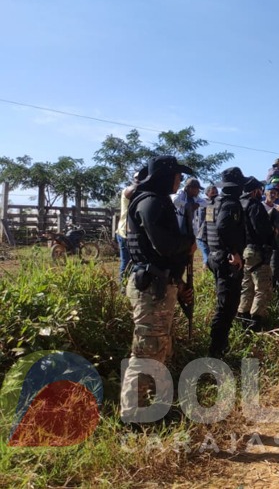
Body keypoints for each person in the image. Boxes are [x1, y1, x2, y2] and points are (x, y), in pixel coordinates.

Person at [120, 155, 195, 423]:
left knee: (159, 348)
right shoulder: (151, 202)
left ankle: (151, 410)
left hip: (160, 285)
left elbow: (162, 254)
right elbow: (164, 245)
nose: (180, 180)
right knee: (146, 350)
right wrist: (188, 243)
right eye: (177, 175)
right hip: (150, 287)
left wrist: (180, 281)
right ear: (165, 176)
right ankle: (133, 415)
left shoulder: (158, 201)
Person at [207, 167, 247, 358]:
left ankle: (219, 346)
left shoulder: (212, 203)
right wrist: (233, 251)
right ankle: (217, 350)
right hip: (227, 259)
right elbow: (223, 226)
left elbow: (206, 229)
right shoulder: (231, 204)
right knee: (227, 306)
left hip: (214, 256)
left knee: (224, 304)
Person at [237, 177, 275, 330]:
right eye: (260, 190)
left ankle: (242, 319)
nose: (262, 192)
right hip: (257, 251)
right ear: (255, 191)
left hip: (245, 251)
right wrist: (272, 233)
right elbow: (262, 230)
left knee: (247, 286)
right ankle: (255, 324)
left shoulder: (240, 205)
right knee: (262, 288)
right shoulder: (256, 206)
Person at [115, 169, 144, 285]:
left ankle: (131, 285)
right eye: (137, 178)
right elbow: (132, 190)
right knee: (126, 261)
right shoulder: (128, 191)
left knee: (135, 262)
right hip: (125, 232)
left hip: (133, 232)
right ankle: (123, 286)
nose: (139, 181)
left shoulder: (140, 192)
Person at [195, 185, 218, 267]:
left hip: (209, 236)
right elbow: (205, 220)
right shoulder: (206, 204)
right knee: (207, 258)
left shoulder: (215, 204)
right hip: (203, 236)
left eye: (216, 192)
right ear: (207, 193)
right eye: (213, 192)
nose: (215, 194)